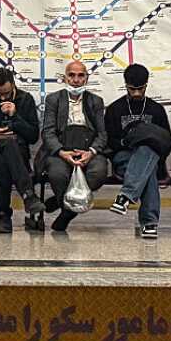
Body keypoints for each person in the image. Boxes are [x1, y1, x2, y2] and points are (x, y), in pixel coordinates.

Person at [0, 67, 45, 233]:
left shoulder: (25, 100)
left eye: (6, 93)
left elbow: (33, 137)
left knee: (4, 159)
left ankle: (3, 216)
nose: (2, 98)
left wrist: (15, 116)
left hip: (17, 157)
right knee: (6, 144)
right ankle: (28, 195)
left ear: (13, 86)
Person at [40, 60, 108, 232]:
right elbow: (48, 132)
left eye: (80, 75)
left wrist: (91, 152)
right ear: (65, 78)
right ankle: (65, 204)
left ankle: (63, 210)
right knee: (57, 174)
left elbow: (102, 134)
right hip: (61, 150)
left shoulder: (96, 101)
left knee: (98, 173)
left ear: (86, 78)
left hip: (88, 150)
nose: (76, 79)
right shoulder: (53, 100)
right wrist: (62, 153)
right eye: (72, 75)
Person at [104, 63, 171, 239]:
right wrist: (128, 142)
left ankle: (125, 197)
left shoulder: (156, 109)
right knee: (147, 169)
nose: (136, 93)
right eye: (132, 89)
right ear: (125, 85)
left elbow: (165, 141)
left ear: (146, 86)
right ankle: (149, 222)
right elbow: (109, 141)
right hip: (123, 157)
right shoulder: (114, 109)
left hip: (151, 157)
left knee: (148, 151)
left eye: (140, 89)